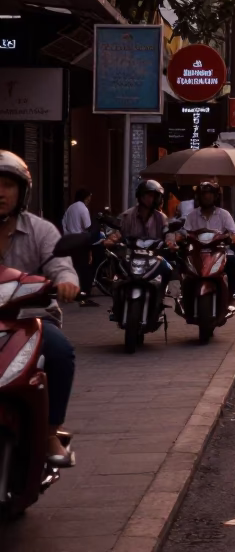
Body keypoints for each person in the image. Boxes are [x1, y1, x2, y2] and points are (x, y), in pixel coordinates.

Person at [0, 151, 80, 465]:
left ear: (22, 191)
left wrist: (66, 282)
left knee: (60, 352)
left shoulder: (41, 230)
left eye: (7, 185)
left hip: (29, 320)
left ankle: (49, 431)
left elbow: (60, 264)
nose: (0, 192)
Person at [175, 180, 235, 299]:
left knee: (233, 262)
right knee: (181, 261)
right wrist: (180, 237)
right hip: (197, 253)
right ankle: (184, 292)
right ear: (199, 196)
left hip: (219, 252)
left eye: (210, 194)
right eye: (204, 194)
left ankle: (231, 292)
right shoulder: (192, 215)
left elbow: (234, 233)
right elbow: (184, 231)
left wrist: (232, 238)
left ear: (215, 196)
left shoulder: (224, 214)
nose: (207, 197)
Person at [108, 179, 175, 292]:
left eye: (155, 196)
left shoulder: (161, 218)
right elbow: (117, 233)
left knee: (168, 269)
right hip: (131, 259)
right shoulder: (127, 216)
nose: (153, 198)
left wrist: (171, 243)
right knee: (118, 278)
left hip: (153, 259)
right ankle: (117, 306)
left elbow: (168, 233)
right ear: (141, 196)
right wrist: (111, 240)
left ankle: (160, 298)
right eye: (150, 195)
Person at [61, 189, 97, 306]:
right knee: (84, 268)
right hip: (80, 241)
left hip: (69, 241)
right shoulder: (83, 208)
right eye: (89, 197)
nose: (89, 200)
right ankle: (83, 293)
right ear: (85, 197)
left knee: (73, 267)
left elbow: (63, 223)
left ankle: (73, 292)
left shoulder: (70, 208)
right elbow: (87, 226)